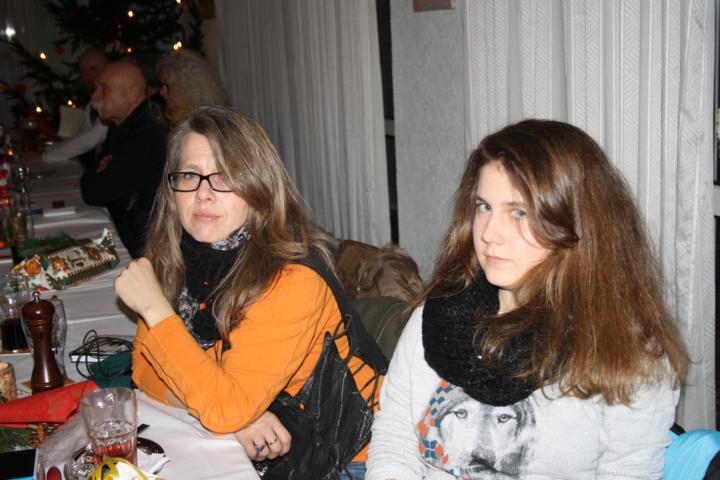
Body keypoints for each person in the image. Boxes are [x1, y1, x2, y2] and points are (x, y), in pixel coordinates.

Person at [366, 119, 689, 479]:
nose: (490, 234)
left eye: (519, 212)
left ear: (578, 223)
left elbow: (627, 472)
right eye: (484, 207)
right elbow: (395, 435)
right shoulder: (440, 313)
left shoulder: (628, 353)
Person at [113, 106, 385, 478]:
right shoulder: (182, 260)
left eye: (224, 177)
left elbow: (222, 406)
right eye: (190, 175)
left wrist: (155, 309)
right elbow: (146, 371)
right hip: (276, 445)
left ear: (259, 188)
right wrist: (234, 415)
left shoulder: (291, 280)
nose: (203, 194)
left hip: (355, 460)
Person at [80, 61, 167, 258]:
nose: (94, 97)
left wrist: (102, 170)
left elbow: (95, 192)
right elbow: (92, 178)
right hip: (125, 234)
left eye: (104, 89)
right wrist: (101, 170)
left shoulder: (146, 135)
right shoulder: (121, 126)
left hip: (146, 251)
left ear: (132, 93)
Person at [40, 47, 109, 164]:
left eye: (93, 69)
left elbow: (91, 138)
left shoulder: (112, 102)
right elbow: (82, 134)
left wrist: (45, 157)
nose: (87, 75)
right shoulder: (93, 102)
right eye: (83, 70)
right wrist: (48, 152)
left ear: (107, 69)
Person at [157, 49, 228, 124]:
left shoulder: (208, 125)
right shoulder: (170, 119)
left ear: (187, 88)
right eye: (161, 86)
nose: (161, 92)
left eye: (167, 86)